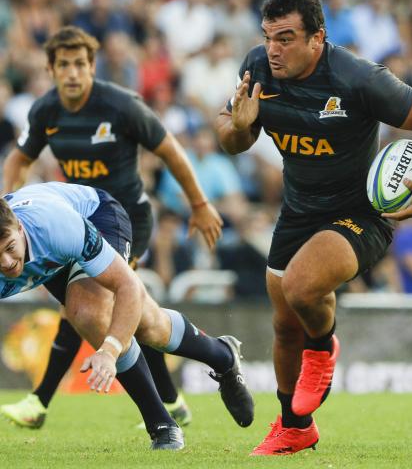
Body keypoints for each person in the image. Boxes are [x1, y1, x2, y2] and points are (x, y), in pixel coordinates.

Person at [215, 0, 412, 455]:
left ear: (318, 38)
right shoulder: (258, 68)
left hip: (360, 213)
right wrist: (240, 126)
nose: (274, 49)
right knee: (284, 324)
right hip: (299, 210)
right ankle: (294, 425)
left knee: (301, 287)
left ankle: (323, 347)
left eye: (286, 38)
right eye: (268, 37)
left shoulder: (357, 78)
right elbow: (230, 137)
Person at [0, 25, 220, 430]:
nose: (72, 73)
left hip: (122, 217)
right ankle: (173, 401)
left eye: (79, 64)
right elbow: (18, 159)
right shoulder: (45, 111)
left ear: (92, 66)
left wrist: (200, 204)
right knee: (120, 314)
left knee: (92, 308)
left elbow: (170, 149)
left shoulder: (121, 106)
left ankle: (41, 402)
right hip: (71, 219)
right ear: (50, 69)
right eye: (63, 65)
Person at [0, 181, 254, 449]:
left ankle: (163, 422)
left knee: (93, 314)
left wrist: (110, 351)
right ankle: (219, 358)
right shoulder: (17, 251)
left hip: (96, 216)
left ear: (19, 227)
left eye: (9, 247)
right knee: (148, 325)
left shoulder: (56, 227)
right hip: (53, 255)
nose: (6, 263)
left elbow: (128, 286)